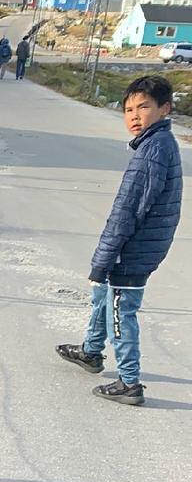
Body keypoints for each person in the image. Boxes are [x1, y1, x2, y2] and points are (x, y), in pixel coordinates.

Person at [56, 74, 183, 405]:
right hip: (140, 246)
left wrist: (103, 259)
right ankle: (91, 351)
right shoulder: (159, 144)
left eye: (144, 107)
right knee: (103, 295)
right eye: (128, 110)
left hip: (133, 251)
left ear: (165, 109)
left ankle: (130, 382)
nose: (135, 116)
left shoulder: (152, 151)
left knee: (120, 311)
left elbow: (128, 211)